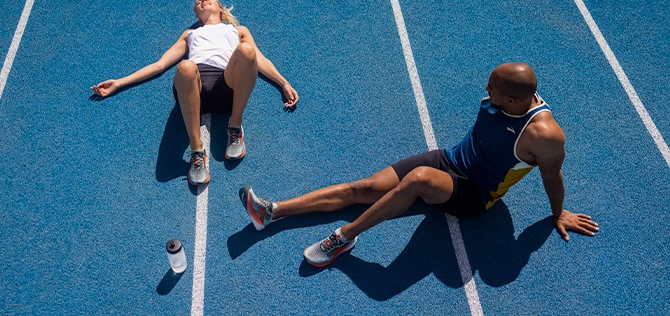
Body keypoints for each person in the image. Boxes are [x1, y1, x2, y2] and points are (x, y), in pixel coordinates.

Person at [239, 62, 598, 267]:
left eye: (490, 90)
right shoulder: (504, 92)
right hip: (449, 159)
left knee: (418, 180)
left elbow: (553, 175)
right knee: (362, 188)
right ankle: (272, 211)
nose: (484, 92)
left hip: (476, 192)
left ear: (510, 99)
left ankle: (343, 238)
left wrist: (559, 213)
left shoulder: (545, 135)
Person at [92, 0, 298, 185]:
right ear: (198, 17)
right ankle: (197, 151)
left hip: (225, 86)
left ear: (220, 8)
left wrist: (283, 83)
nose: (203, 0)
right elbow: (160, 65)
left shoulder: (237, 31)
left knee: (246, 50)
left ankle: (234, 127)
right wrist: (119, 82)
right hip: (194, 90)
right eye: (198, 2)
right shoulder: (190, 34)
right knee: (185, 66)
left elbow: (258, 60)